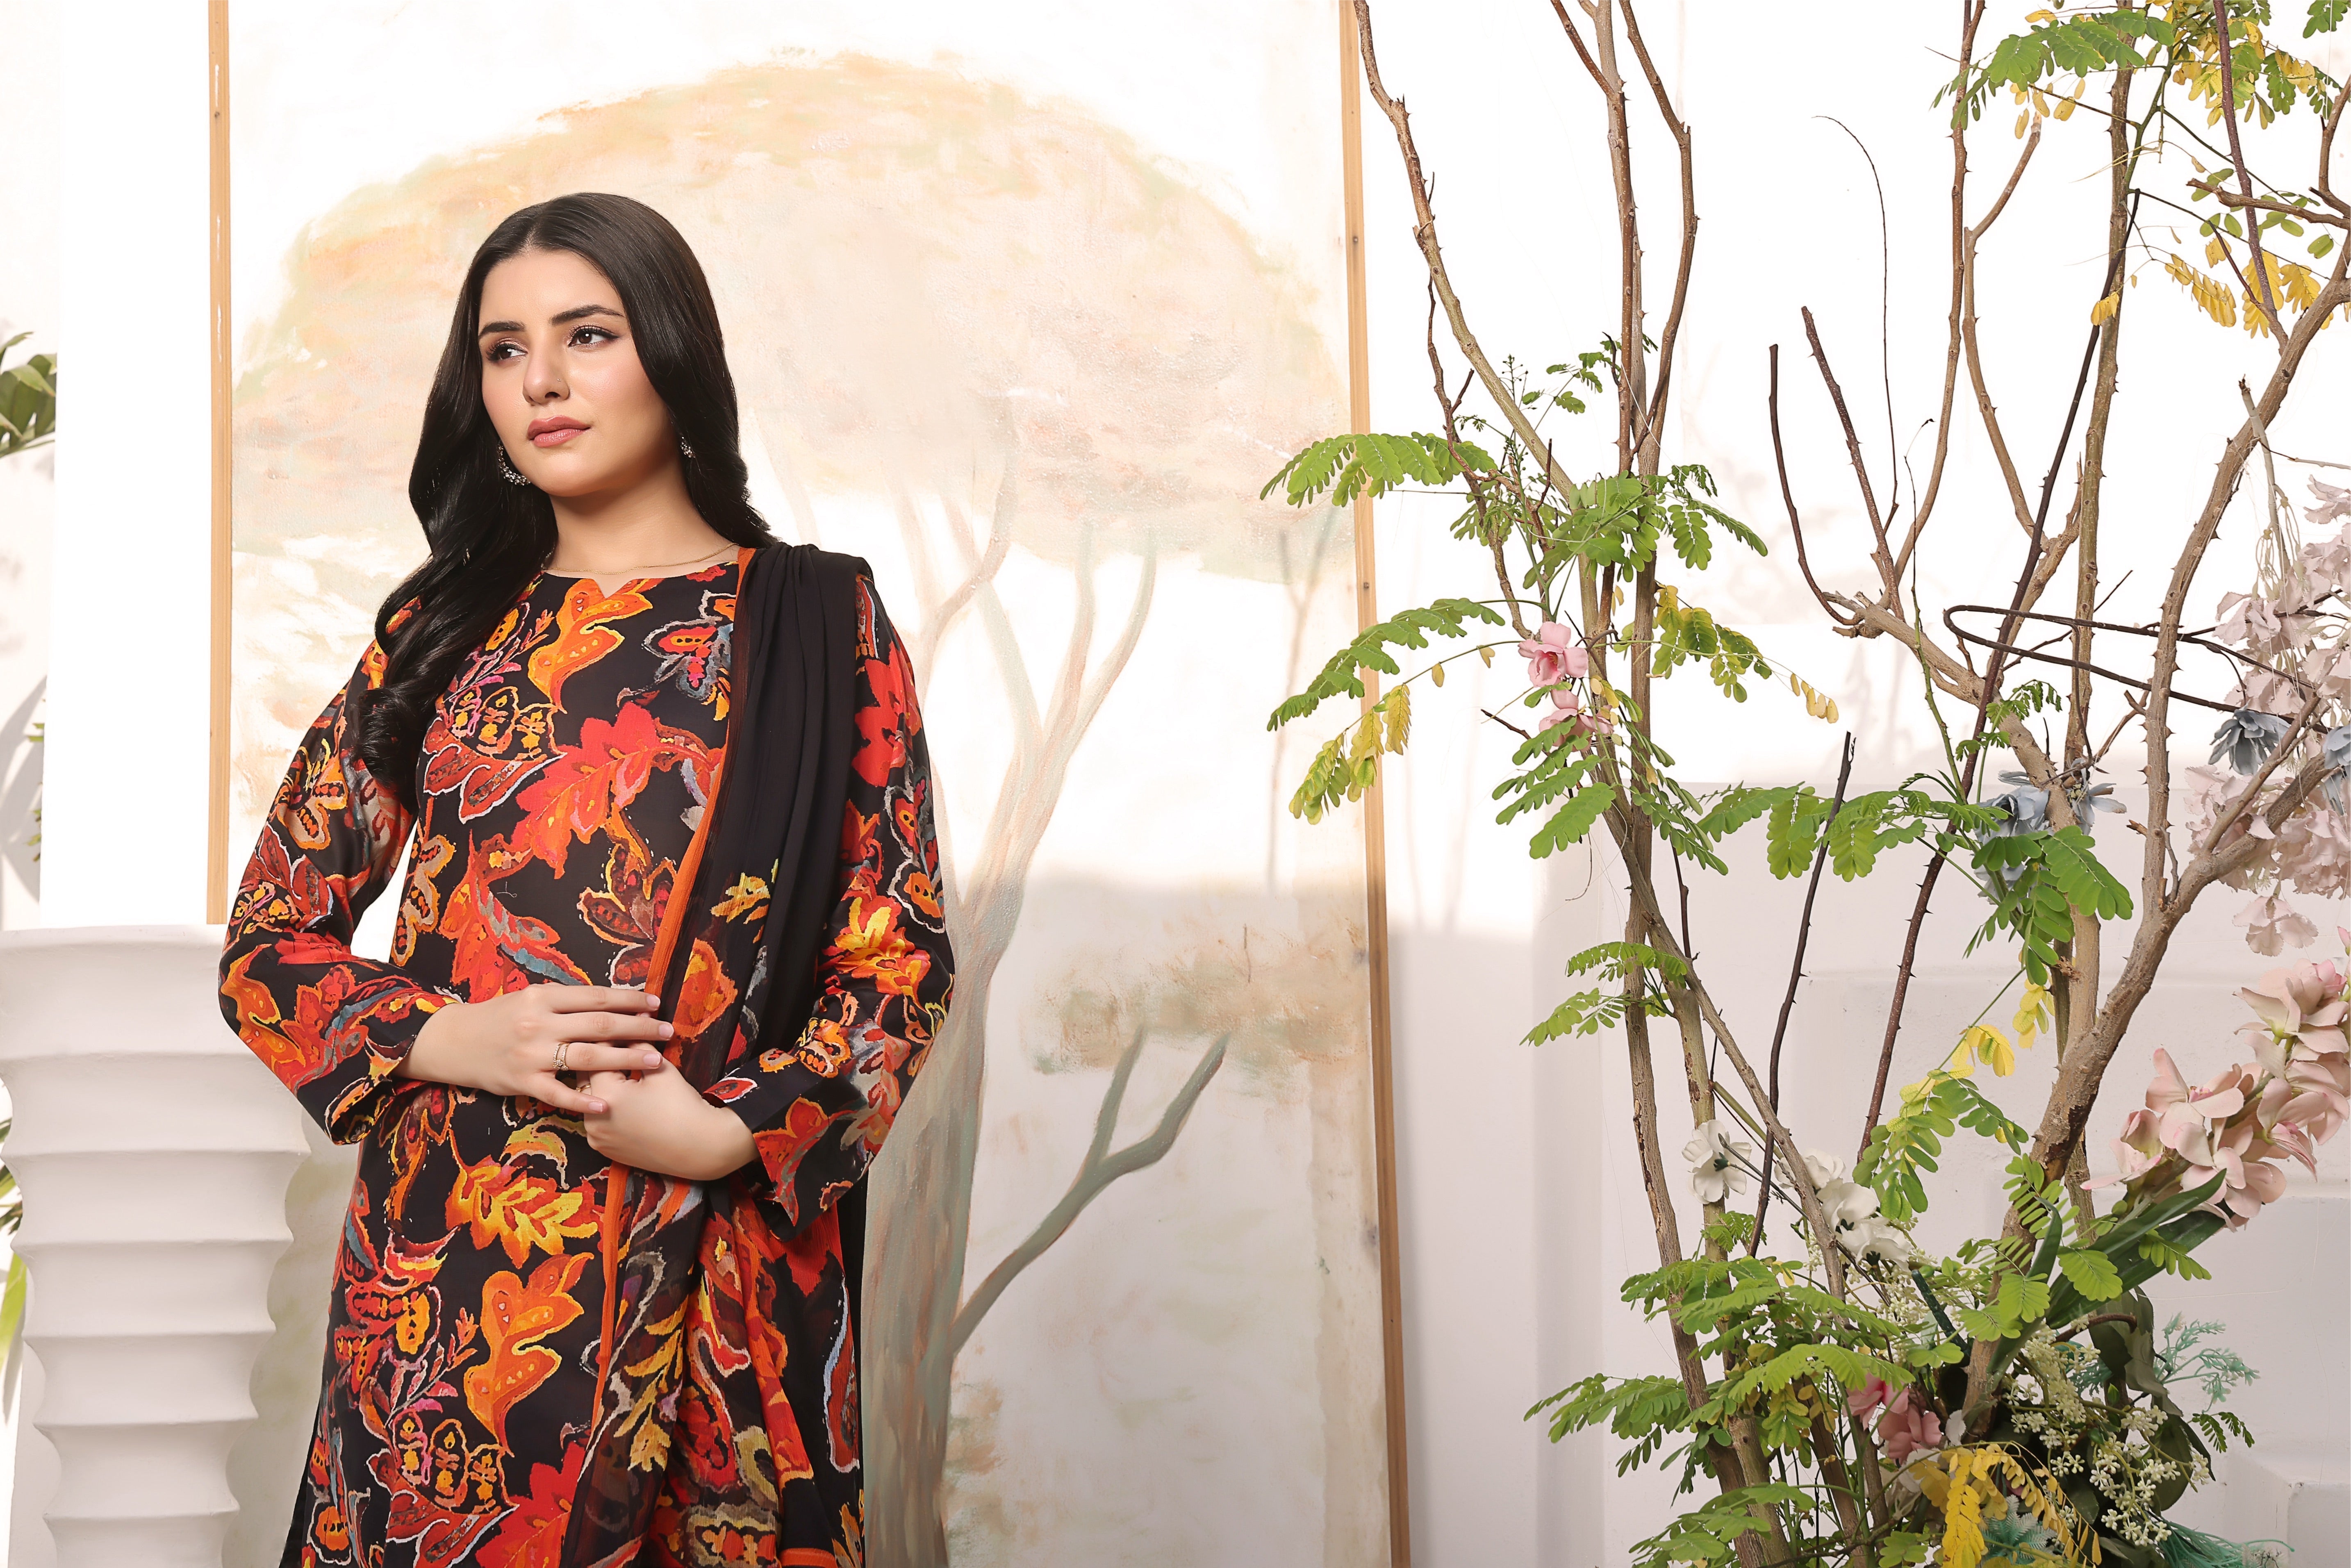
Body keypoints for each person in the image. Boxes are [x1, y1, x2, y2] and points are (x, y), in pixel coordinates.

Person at [218, 192, 953, 1568]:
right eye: (503, 350)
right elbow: (268, 944)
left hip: (717, 1288)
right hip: (447, 1299)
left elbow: (897, 952)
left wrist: (733, 1134)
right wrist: (450, 1034)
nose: (541, 381)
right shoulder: (439, 634)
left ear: (673, 350)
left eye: (587, 335)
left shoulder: (816, 624)